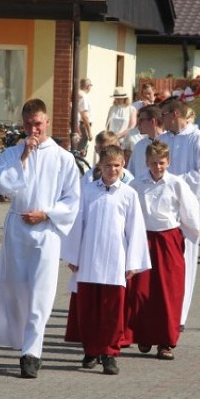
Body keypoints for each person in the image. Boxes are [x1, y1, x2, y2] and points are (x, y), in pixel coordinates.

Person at [0, 98, 81, 378]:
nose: (34, 130)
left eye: (39, 124)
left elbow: (72, 199)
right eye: (29, 124)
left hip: (46, 231)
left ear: (47, 123)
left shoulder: (63, 158)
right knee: (17, 287)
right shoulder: (12, 153)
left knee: (41, 291)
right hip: (17, 227)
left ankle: (32, 351)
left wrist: (47, 214)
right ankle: (21, 340)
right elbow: (2, 184)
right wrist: (24, 157)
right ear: (23, 124)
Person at [61, 145, 150, 375]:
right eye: (108, 165)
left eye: (117, 166)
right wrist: (73, 255)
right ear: (100, 166)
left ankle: (110, 353)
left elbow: (135, 230)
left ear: (123, 167)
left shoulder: (128, 194)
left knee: (112, 310)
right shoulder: (89, 191)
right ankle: (91, 349)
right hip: (89, 260)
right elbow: (77, 223)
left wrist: (132, 263)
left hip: (115, 261)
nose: (112, 170)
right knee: (89, 308)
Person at [129, 140, 200, 360]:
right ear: (146, 162)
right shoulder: (137, 184)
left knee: (168, 290)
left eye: (161, 163)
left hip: (168, 238)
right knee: (141, 289)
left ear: (168, 162)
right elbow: (129, 211)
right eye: (153, 163)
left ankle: (166, 341)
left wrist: (185, 237)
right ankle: (143, 334)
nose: (157, 167)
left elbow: (190, 214)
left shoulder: (176, 183)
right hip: (143, 238)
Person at [158, 99, 200, 329]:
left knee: (184, 261)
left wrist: (174, 183)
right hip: (161, 210)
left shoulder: (197, 138)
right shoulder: (162, 140)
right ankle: (159, 312)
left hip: (186, 209)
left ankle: (178, 316)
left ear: (174, 114)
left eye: (163, 114)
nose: (161, 119)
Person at [127, 104, 164, 180]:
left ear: (152, 121)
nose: (138, 125)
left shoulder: (169, 143)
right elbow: (130, 173)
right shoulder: (139, 146)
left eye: (141, 120)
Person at [76, 78, 93, 155]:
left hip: (79, 125)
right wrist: (89, 132)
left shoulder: (79, 94)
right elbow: (84, 116)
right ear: (87, 86)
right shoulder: (83, 96)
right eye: (90, 86)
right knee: (81, 152)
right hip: (83, 126)